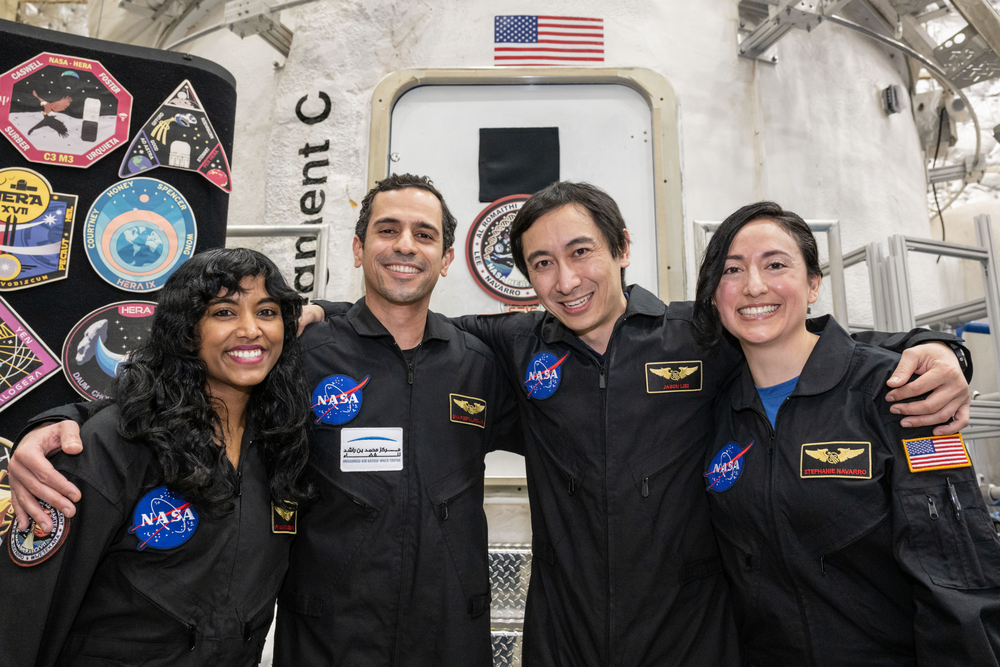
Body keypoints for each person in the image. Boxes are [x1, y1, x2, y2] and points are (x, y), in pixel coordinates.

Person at [13, 182, 971, 666]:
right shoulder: (380, 347)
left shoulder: (675, 335)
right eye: (543, 263)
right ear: (360, 248)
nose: (567, 277)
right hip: (382, 641)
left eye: (582, 252)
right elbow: (201, 375)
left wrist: (933, 354)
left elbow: (785, 333)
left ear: (622, 250)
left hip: (660, 639)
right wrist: (59, 422)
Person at [9, 174, 520, 667]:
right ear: (359, 249)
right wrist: (58, 422)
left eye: (424, 235)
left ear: (447, 258)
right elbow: (173, 393)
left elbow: (561, 422)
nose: (405, 245)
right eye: (388, 230)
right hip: (328, 639)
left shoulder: (476, 362)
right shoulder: (304, 350)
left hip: (448, 632)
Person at [694, 201, 1000, 665]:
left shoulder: (900, 392)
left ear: (813, 283)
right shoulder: (717, 410)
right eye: (732, 270)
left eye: (776, 264)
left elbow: (958, 570)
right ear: (716, 293)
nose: (754, 286)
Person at [0, 247, 314, 667]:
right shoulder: (115, 443)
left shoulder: (282, 442)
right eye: (224, 312)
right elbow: (24, 613)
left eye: (267, 311)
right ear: (186, 329)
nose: (250, 329)